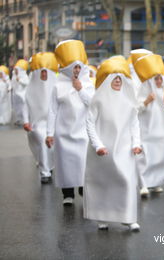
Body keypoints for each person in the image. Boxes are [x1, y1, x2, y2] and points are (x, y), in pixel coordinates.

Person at [84, 56, 142, 231]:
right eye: (114, 77)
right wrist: (98, 145)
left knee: (126, 181)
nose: (118, 81)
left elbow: (134, 123)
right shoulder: (98, 100)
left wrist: (136, 143)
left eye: (120, 78)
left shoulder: (129, 102)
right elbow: (89, 123)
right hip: (103, 149)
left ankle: (127, 217)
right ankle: (103, 216)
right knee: (104, 182)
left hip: (124, 149)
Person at [46, 40, 95, 206]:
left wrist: (80, 89)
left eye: (79, 67)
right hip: (63, 132)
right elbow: (52, 110)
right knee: (65, 163)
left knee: (82, 162)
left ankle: (83, 189)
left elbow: (93, 104)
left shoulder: (88, 84)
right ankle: (68, 193)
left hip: (83, 130)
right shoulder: (58, 86)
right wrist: (49, 133)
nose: (76, 70)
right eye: (74, 67)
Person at [133, 54, 164, 197]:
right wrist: (146, 101)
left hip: (162, 130)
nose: (159, 81)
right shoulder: (144, 91)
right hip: (147, 129)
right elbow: (135, 109)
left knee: (159, 156)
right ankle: (143, 184)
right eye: (156, 78)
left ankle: (156, 183)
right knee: (145, 156)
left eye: (161, 78)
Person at [23, 52, 58, 184]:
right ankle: (45, 172)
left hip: (54, 123)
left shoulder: (56, 86)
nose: (44, 75)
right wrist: (26, 121)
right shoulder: (31, 88)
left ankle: (50, 166)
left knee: (53, 146)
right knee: (44, 143)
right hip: (37, 125)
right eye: (42, 72)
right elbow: (26, 105)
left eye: (46, 72)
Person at [10, 59, 29, 126]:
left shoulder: (24, 76)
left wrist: (20, 80)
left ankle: (24, 120)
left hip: (22, 95)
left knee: (23, 107)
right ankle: (18, 119)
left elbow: (27, 83)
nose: (15, 71)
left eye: (17, 70)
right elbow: (12, 83)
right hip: (15, 94)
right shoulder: (14, 76)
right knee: (16, 107)